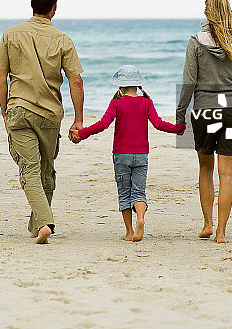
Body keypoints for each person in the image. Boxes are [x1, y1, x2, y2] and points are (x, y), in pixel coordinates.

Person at [0, 0, 84, 244]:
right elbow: (75, 80)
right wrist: (78, 119)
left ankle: (42, 223)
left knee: (30, 169)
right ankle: (39, 225)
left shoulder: (10, 34)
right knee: (46, 171)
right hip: (49, 113)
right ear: (55, 8)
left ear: (32, 4)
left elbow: (0, 74)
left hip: (19, 109)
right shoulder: (63, 40)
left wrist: (4, 109)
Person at [71, 65, 185, 242]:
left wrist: (83, 133)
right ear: (138, 85)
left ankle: (130, 232)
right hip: (141, 155)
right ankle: (141, 218)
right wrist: (178, 129)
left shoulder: (116, 103)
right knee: (139, 192)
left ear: (120, 86)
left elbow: (103, 124)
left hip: (121, 155)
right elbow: (159, 124)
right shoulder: (146, 102)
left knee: (124, 193)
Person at [176, 0, 232, 243]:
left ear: (208, 13)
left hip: (205, 111)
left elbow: (189, 81)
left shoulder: (195, 42)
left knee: (205, 168)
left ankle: (207, 224)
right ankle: (221, 232)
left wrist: (180, 112)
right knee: (227, 174)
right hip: (231, 110)